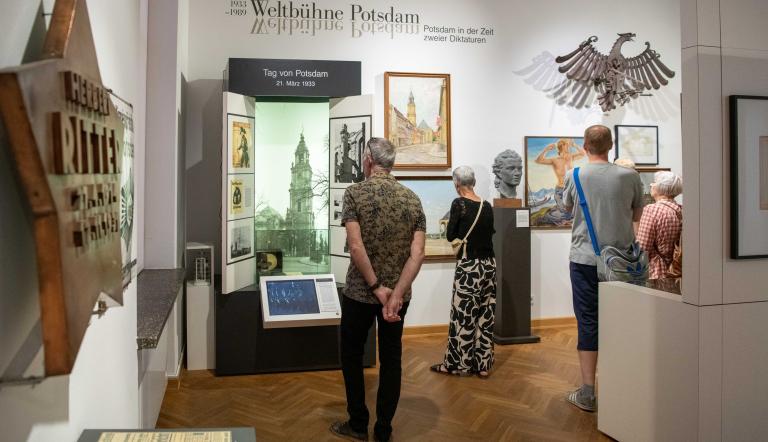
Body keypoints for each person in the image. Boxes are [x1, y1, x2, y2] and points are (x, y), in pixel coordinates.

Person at [330, 137, 426, 442]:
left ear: (368, 159)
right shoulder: (412, 199)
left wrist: (376, 287)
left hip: (360, 291)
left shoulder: (355, 193)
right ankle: (384, 428)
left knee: (352, 355)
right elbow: (418, 253)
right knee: (392, 358)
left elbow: (356, 246)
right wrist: (395, 294)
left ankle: (358, 422)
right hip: (397, 298)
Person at [562, 125, 644, 412]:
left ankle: (587, 392)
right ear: (611, 145)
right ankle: (624, 386)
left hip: (584, 259)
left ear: (585, 145)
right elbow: (636, 214)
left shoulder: (575, 174)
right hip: (622, 262)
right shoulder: (630, 176)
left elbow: (567, 207)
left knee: (588, 321)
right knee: (623, 321)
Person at [430, 166, 497, 378]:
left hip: (469, 267)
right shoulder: (486, 206)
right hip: (489, 265)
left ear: (456, 184)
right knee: (486, 315)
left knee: (463, 316)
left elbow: (451, 235)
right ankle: (483, 365)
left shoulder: (459, 204)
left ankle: (459, 365)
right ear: (474, 182)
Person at [636, 171, 683, 279]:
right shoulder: (682, 210)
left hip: (657, 271)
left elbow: (642, 248)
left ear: (661, 188)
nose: (651, 185)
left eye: (654, 182)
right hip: (678, 270)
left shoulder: (652, 210)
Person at [536, 138, 586, 213]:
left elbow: (583, 154)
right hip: (560, 190)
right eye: (567, 145)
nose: (569, 146)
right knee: (565, 212)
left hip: (571, 189)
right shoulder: (555, 160)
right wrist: (546, 149)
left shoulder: (571, 157)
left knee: (574, 212)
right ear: (562, 146)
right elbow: (538, 160)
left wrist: (575, 145)